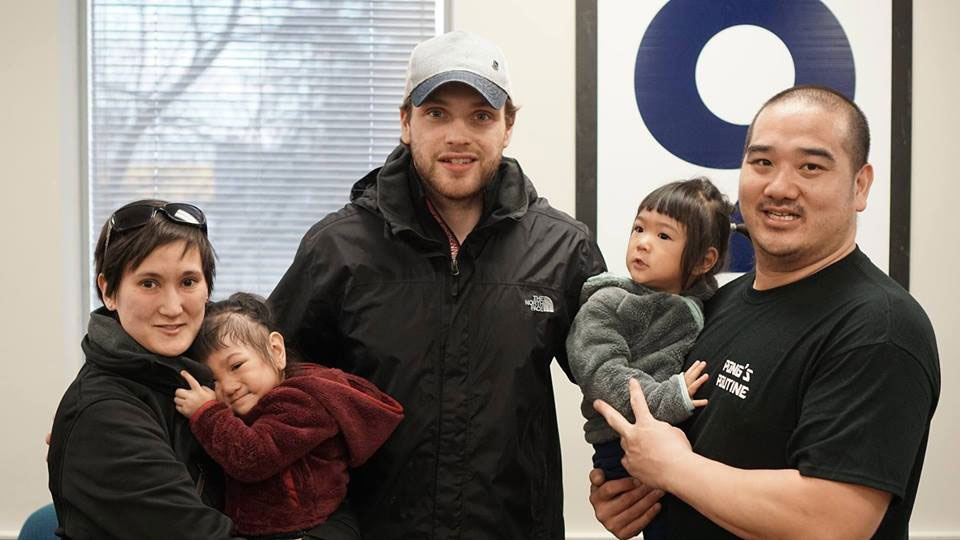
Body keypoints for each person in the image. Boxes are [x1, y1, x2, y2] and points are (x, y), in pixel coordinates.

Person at [269, 30, 606, 538]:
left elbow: (611, 375)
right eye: (437, 113)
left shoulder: (563, 249)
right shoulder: (337, 249)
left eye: (481, 116)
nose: (458, 136)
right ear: (406, 122)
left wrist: (624, 473)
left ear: (508, 126)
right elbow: (269, 381)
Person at [590, 86, 941, 539]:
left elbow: (833, 520)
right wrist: (633, 492)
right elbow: (685, 461)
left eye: (811, 166)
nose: (779, 187)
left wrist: (674, 469)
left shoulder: (880, 327)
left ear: (860, 184)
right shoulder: (715, 304)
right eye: (762, 163)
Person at [47, 200, 358, 540]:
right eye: (149, 283)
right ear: (108, 291)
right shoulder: (105, 418)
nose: (173, 307)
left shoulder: (201, 379)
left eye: (188, 282)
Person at [567, 178, 731, 539]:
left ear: (705, 260)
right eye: (639, 228)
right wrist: (669, 397)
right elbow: (601, 375)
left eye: (664, 236)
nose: (642, 242)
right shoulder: (608, 303)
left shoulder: (709, 305)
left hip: (678, 445)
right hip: (622, 447)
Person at [173, 293, 404, 539]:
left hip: (305, 529)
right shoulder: (256, 402)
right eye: (214, 379)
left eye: (237, 366)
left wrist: (206, 413)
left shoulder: (304, 399)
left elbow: (253, 456)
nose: (228, 386)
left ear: (276, 351)